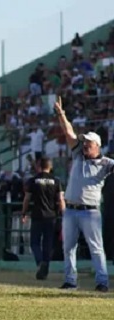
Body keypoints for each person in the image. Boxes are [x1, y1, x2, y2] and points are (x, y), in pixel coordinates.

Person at [54, 96, 114, 292]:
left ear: (98, 145)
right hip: (71, 209)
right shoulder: (77, 155)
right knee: (68, 248)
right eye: (85, 142)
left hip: (90, 211)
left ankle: (102, 282)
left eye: (89, 143)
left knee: (96, 248)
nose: (85, 145)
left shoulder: (106, 163)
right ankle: (70, 281)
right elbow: (69, 131)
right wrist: (61, 114)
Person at [21, 156, 64, 280]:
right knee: (48, 243)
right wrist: (64, 214)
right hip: (51, 216)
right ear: (50, 167)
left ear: (39, 166)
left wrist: (24, 212)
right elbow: (60, 200)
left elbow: (27, 199)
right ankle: (44, 270)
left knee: (34, 242)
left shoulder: (32, 181)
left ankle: (40, 262)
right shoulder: (56, 181)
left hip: (37, 215)